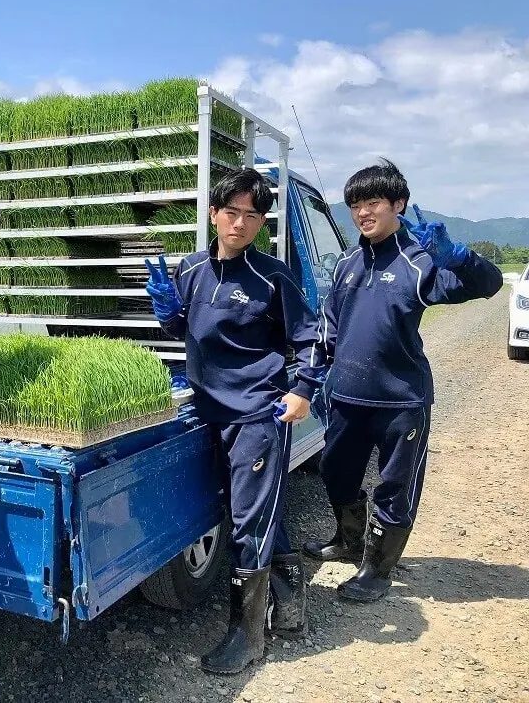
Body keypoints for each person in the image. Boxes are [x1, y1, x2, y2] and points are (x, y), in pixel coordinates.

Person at [145, 167, 326, 675]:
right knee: (253, 511)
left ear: (262, 222)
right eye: (232, 212)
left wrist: (302, 389)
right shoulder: (191, 269)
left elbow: (311, 337)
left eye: (253, 214)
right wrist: (167, 312)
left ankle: (247, 637)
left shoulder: (272, 276)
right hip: (208, 411)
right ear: (213, 214)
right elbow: (187, 327)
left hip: (257, 414)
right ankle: (289, 606)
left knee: (249, 521)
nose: (241, 223)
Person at [303, 159, 503, 602]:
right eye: (355, 204)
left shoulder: (419, 264)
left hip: (401, 402)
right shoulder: (347, 264)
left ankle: (377, 569)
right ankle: (348, 542)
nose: (362, 213)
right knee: (336, 474)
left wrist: (462, 259)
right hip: (347, 399)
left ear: (399, 205)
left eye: (373, 202)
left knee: (395, 487)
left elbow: (487, 286)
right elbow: (328, 328)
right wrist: (313, 381)